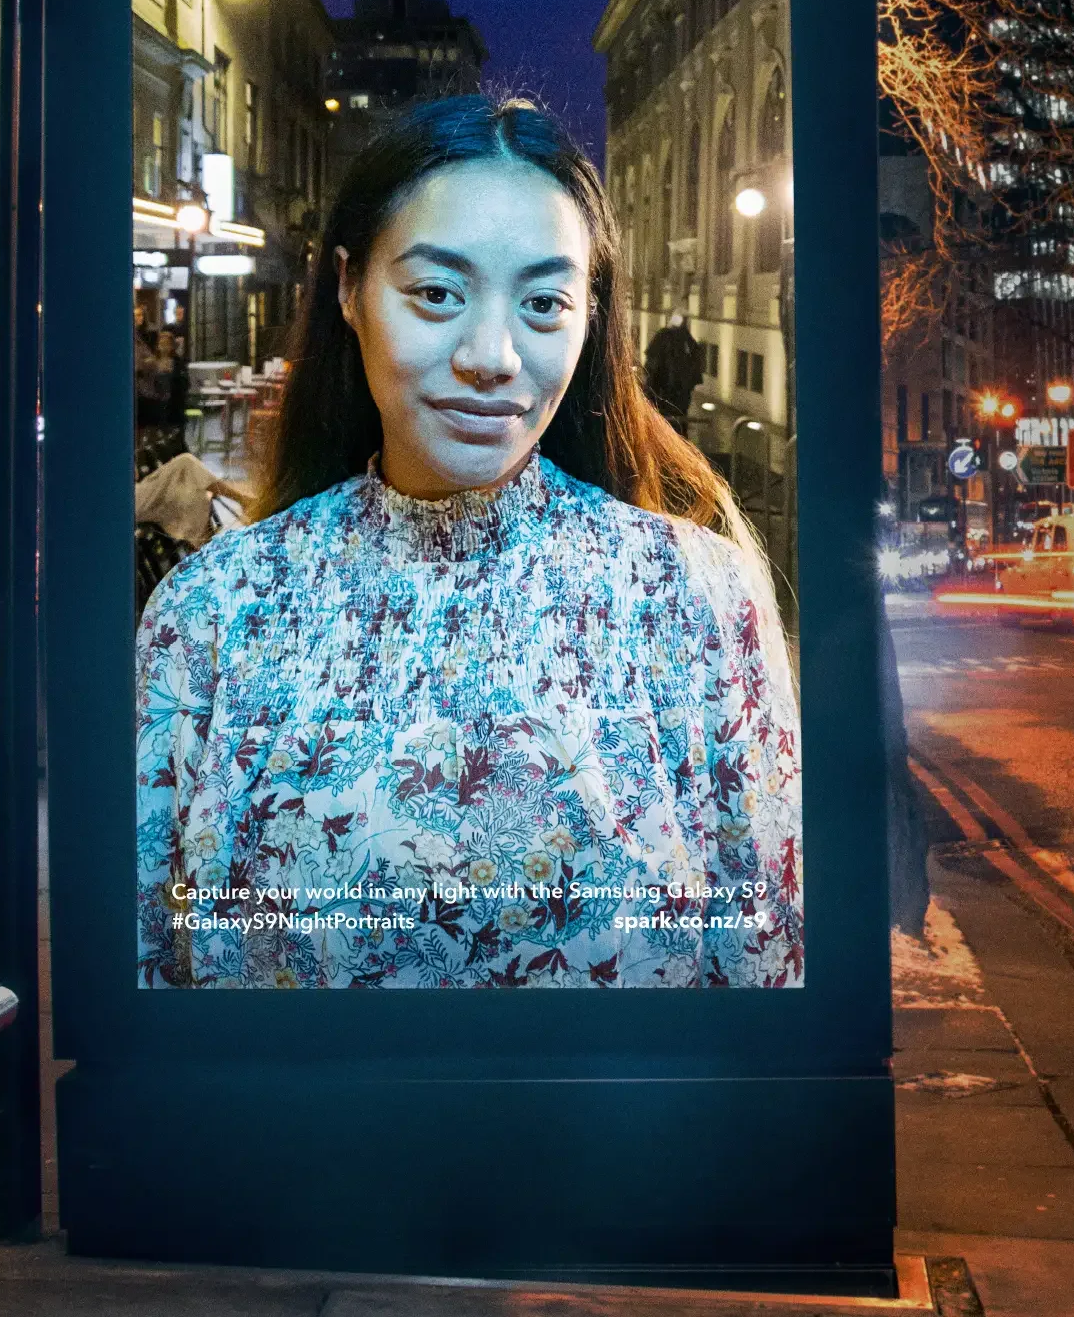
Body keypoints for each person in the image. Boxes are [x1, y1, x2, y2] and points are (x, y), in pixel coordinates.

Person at [135, 97, 802, 990]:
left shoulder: (693, 595)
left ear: (590, 315)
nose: (491, 355)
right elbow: (150, 970)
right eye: (438, 294)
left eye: (544, 302)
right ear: (348, 289)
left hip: (619, 1135)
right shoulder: (213, 613)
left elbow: (768, 966)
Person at [640, 312, 705, 431]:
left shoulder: (669, 337)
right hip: (672, 394)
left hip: (668, 394)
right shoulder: (684, 339)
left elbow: (651, 363)